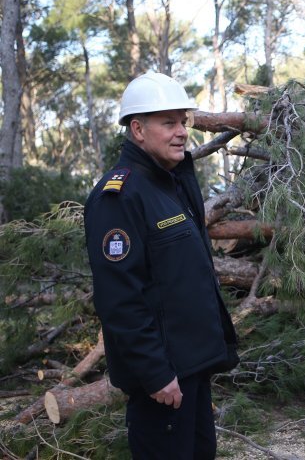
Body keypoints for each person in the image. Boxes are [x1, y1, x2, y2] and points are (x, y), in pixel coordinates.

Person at [84, 71, 238, 459]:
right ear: (137, 129)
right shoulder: (119, 197)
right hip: (164, 380)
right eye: (168, 122)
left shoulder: (172, 183)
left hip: (193, 367)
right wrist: (155, 374)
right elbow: (120, 299)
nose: (182, 131)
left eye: (183, 122)